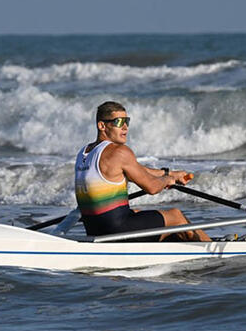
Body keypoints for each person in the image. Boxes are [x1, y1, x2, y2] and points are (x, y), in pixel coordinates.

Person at [74, 101, 211, 242]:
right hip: (117, 233)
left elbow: (138, 171)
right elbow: (152, 187)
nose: (125, 127)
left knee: (138, 213)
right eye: (119, 122)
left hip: (94, 230)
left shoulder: (84, 153)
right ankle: (213, 251)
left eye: (127, 121)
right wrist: (167, 181)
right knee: (175, 216)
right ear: (102, 126)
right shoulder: (120, 152)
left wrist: (169, 174)